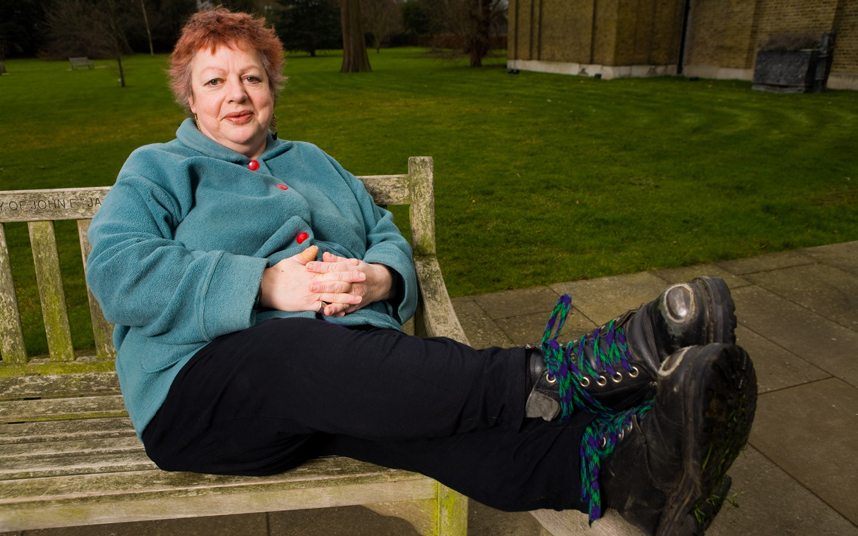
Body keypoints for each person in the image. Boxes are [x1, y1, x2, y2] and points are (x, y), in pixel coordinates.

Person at [85, 8, 757, 535]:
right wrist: (265, 284)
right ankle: (568, 372)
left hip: (336, 376)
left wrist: (381, 280)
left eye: (252, 78)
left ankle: (630, 468)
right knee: (292, 350)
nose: (237, 94)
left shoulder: (315, 162)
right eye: (215, 81)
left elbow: (383, 234)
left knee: (432, 427)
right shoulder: (159, 167)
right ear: (190, 98)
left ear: (271, 89)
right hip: (199, 398)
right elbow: (115, 268)